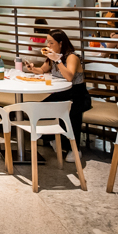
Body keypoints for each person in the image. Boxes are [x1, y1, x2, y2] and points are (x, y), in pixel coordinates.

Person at [23, 29, 92, 159]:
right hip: (62, 93)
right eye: (47, 42)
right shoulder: (51, 57)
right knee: (40, 109)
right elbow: (43, 70)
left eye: (51, 43)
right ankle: (53, 139)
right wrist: (33, 69)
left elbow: (69, 77)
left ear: (60, 43)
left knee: (71, 113)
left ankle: (75, 148)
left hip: (78, 95)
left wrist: (58, 61)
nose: (48, 45)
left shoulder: (72, 57)